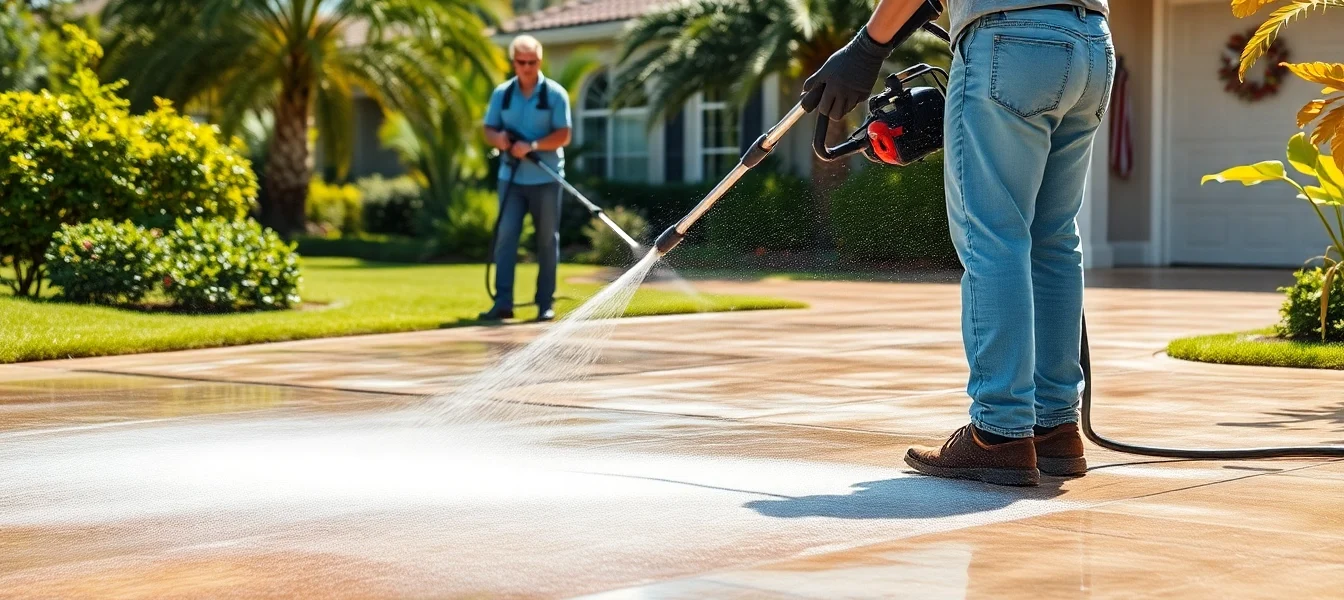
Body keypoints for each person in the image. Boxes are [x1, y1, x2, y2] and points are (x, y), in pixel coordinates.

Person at [802, 0, 1111, 486]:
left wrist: (865, 50)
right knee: (1052, 240)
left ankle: (1000, 434)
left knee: (994, 236)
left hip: (1009, 40)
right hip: (1091, 43)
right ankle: (1056, 427)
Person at [479, 34, 573, 322]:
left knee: (547, 240)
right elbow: (488, 130)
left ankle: (545, 303)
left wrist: (531, 146)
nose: (527, 67)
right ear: (514, 63)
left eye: (532, 62)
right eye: (522, 62)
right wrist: (503, 141)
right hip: (511, 178)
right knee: (506, 238)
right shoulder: (502, 94)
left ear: (539, 61)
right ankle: (503, 303)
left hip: (546, 179)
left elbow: (564, 134)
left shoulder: (555, 95)